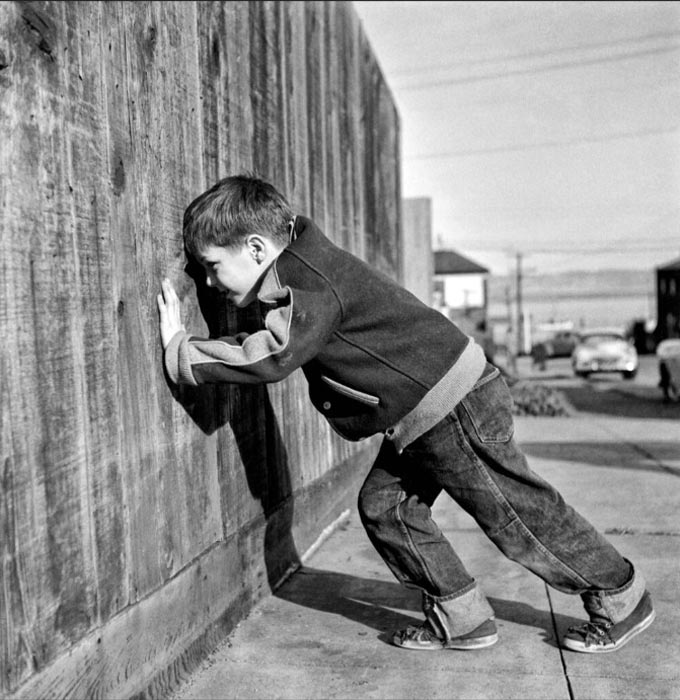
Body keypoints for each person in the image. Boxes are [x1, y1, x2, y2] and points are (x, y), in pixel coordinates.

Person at [157, 174, 654, 653]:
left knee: (516, 515)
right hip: (426, 415)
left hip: (452, 409)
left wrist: (184, 353)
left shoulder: (307, 279)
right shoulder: (303, 266)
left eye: (212, 265)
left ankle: (619, 595)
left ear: (257, 249)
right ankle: (461, 619)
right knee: (387, 509)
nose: (207, 280)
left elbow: (274, 354)